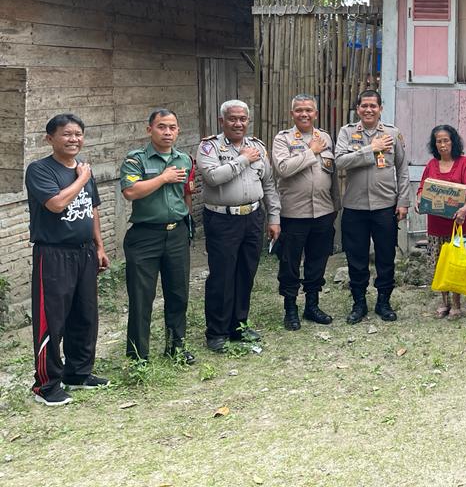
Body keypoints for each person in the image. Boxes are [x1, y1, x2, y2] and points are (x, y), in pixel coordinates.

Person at [26, 114, 110, 406]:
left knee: (85, 316)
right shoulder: (40, 170)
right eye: (66, 134)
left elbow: (92, 209)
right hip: (53, 254)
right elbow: (56, 203)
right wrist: (82, 179)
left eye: (78, 134)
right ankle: (46, 386)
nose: (74, 139)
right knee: (53, 319)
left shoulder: (84, 169)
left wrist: (99, 246)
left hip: (85, 251)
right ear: (50, 138)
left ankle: (79, 373)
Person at [196, 100, 281, 352]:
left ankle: (239, 326)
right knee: (222, 276)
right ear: (222, 121)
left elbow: (268, 185)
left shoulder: (257, 146)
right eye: (233, 119)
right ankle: (216, 332)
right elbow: (212, 177)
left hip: (253, 218)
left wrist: (274, 217)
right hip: (222, 219)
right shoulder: (209, 147)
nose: (238, 123)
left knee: (246, 273)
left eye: (243, 119)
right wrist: (243, 159)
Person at [120, 109, 196, 364]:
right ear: (149, 129)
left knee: (178, 294)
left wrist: (188, 219)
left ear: (178, 130)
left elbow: (186, 192)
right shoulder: (136, 160)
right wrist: (163, 178)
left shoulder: (184, 159)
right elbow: (130, 191)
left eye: (172, 127)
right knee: (142, 297)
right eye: (162, 127)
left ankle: (176, 348)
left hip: (176, 234)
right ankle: (138, 356)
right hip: (145, 237)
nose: (167, 132)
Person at [333, 90, 410, 324]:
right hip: (355, 207)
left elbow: (403, 170)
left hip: (385, 206)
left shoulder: (392, 133)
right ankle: (359, 303)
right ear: (358, 108)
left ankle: (383, 302)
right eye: (364, 105)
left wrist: (403, 201)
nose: (368, 110)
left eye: (373, 106)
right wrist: (371, 149)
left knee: (386, 256)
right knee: (356, 257)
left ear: (380, 108)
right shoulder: (347, 133)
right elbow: (340, 162)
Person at [271, 94, 339, 331]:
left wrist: (335, 207)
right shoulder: (283, 139)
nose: (304, 114)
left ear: (316, 113)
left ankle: (312, 305)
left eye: (309, 110)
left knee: (317, 260)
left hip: (322, 211)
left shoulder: (326, 138)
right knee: (290, 263)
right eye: (299, 110)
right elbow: (282, 169)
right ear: (292, 114)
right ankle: (290, 308)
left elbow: (332, 175)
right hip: (293, 213)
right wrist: (310, 151)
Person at [416, 125, 466, 319]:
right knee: (439, 264)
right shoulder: (431, 165)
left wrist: (465, 208)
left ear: (453, 141)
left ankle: (457, 304)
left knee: (456, 264)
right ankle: (444, 302)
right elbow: (422, 188)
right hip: (436, 224)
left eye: (446, 140)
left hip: (459, 223)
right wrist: (419, 201)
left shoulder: (463, 162)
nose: (442, 144)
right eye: (438, 141)